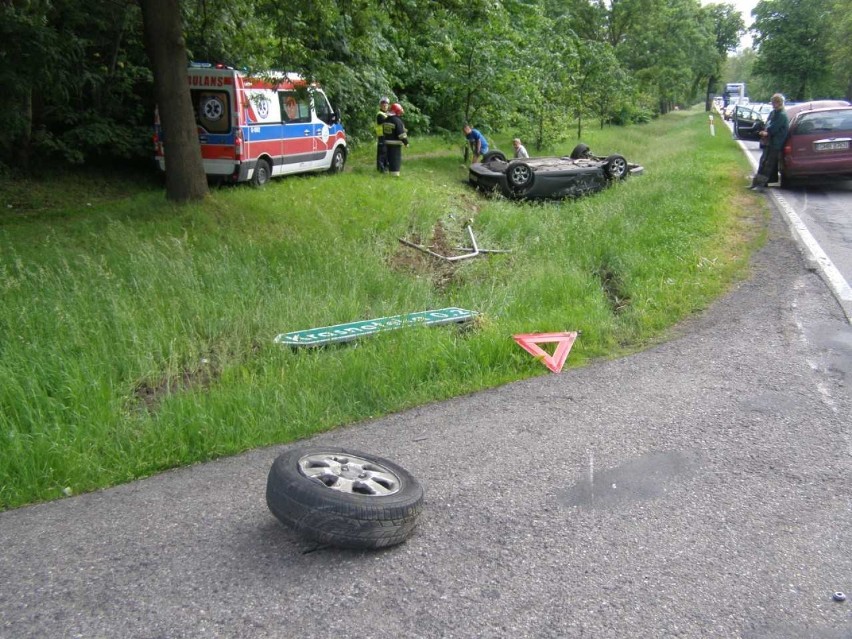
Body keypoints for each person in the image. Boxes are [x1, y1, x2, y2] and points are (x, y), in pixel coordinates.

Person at [749, 93, 788, 191]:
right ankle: (755, 183)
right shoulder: (774, 113)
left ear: (779, 103)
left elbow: (773, 128)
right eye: (772, 102)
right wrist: (763, 130)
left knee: (768, 164)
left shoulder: (782, 115)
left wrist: (765, 132)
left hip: (775, 143)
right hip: (769, 142)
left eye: (774, 102)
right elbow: (768, 124)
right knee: (762, 162)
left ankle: (761, 185)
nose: (773, 104)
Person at [382, 103, 409, 176]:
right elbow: (401, 134)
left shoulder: (386, 120)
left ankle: (387, 171)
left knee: (389, 158)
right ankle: (395, 174)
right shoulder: (397, 121)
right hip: (395, 143)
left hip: (387, 142)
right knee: (395, 158)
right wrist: (406, 142)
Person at [376, 97, 390, 172]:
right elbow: (382, 121)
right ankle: (380, 169)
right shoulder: (380, 114)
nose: (384, 106)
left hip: (387, 136)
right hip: (382, 136)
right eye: (383, 104)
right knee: (382, 153)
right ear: (380, 105)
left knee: (387, 152)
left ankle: (386, 167)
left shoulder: (387, 114)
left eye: (386, 104)